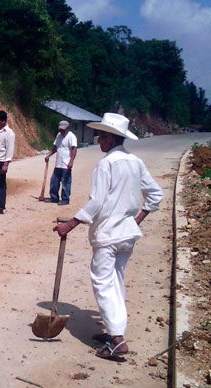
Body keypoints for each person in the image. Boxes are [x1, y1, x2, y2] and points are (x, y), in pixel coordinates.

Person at [53, 113, 163, 359]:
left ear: (112, 138)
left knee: (103, 283)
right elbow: (155, 195)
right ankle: (115, 329)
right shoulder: (135, 162)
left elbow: (97, 201)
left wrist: (71, 223)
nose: (98, 140)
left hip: (108, 235)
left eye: (102, 136)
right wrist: (138, 218)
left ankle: (117, 340)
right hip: (126, 235)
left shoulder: (106, 164)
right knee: (116, 282)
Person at [45, 120, 78, 205]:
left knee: (66, 183)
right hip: (58, 164)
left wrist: (71, 161)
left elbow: (74, 149)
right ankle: (54, 198)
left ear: (67, 128)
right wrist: (49, 155)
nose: (61, 131)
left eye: (63, 129)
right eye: (60, 129)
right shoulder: (59, 135)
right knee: (54, 182)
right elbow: (55, 147)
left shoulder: (71, 136)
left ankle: (65, 199)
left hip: (66, 165)